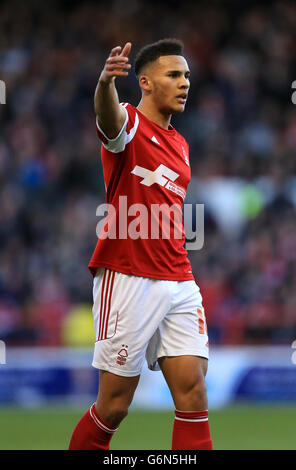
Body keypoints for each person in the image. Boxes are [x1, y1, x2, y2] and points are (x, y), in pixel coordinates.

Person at [68, 38, 212, 450]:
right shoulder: (129, 124)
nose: (184, 83)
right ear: (145, 82)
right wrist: (104, 84)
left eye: (186, 75)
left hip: (179, 278)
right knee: (114, 406)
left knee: (194, 394)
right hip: (130, 277)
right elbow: (107, 117)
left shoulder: (181, 145)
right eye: (174, 75)